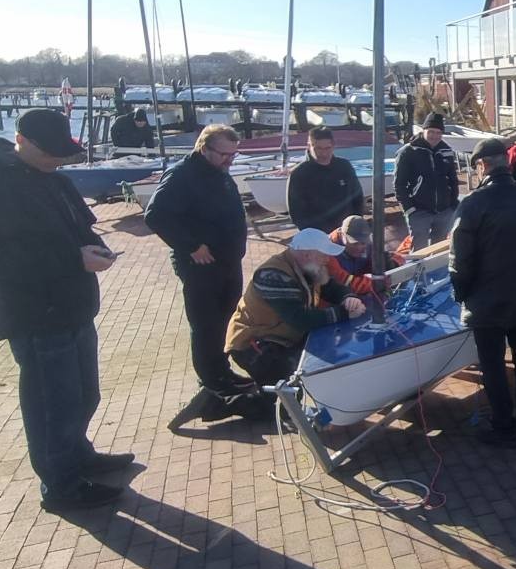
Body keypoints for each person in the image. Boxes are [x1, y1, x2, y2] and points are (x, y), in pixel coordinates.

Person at [0, 109, 133, 511]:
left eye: (61, 152)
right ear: (21, 141)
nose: (57, 159)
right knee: (53, 404)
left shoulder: (55, 180)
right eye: (49, 152)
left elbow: (81, 229)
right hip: (35, 315)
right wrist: (75, 259)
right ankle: (60, 485)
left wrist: (95, 248)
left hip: (74, 306)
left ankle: (78, 455)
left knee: (84, 394)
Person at [144, 125, 259, 428]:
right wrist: (191, 245)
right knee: (206, 323)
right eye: (224, 154)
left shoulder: (218, 171)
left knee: (226, 318)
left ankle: (223, 370)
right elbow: (155, 215)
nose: (229, 160)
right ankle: (211, 379)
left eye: (234, 155)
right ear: (204, 149)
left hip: (227, 261)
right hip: (202, 264)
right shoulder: (183, 175)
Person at [450, 138, 516, 447]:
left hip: (487, 298)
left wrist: (461, 293)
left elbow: (459, 259)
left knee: (493, 365)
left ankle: (504, 426)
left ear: (482, 165)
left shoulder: (473, 203)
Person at [224, 228, 367, 388]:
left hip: (280, 337)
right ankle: (225, 398)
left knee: (307, 375)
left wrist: (349, 298)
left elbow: (331, 287)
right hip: (253, 343)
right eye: (324, 255)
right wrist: (345, 313)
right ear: (307, 255)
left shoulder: (308, 266)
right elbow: (300, 319)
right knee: (287, 387)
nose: (327, 259)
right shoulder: (273, 275)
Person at [394, 111, 461, 249]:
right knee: (419, 252)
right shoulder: (408, 152)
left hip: (444, 211)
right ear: (423, 130)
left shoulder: (446, 151)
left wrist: (453, 203)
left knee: (439, 250)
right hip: (419, 211)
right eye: (431, 131)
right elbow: (399, 184)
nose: (434, 136)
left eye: (438, 133)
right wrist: (409, 209)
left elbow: (453, 179)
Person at [287, 126, 364, 233]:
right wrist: (311, 232)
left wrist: (354, 224)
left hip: (345, 231)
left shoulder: (344, 166)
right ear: (309, 146)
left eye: (327, 148)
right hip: (316, 233)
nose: (324, 153)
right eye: (318, 148)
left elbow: (357, 197)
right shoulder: (299, 173)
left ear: (333, 146)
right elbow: (296, 211)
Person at [327, 215, 394, 297]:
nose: (359, 247)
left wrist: (393, 263)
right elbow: (344, 282)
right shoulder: (327, 252)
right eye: (354, 243)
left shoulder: (369, 244)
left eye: (363, 243)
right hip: (337, 298)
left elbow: (395, 256)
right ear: (342, 235)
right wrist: (379, 283)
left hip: (361, 290)